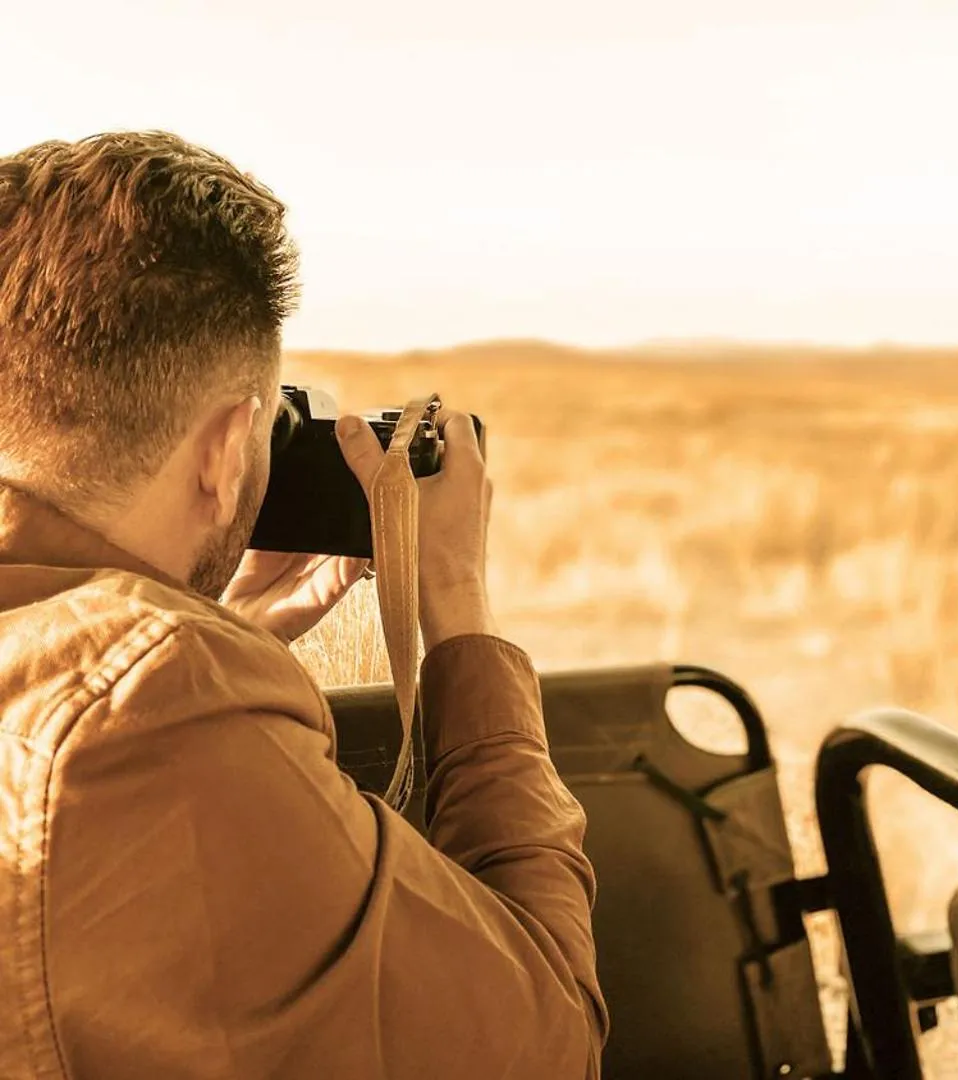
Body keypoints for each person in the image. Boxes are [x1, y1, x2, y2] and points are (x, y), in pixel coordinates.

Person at [0, 132, 606, 1077]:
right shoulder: (161, 692)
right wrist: (454, 603)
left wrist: (227, 627)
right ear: (226, 449)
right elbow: (544, 1040)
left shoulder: (118, 673)